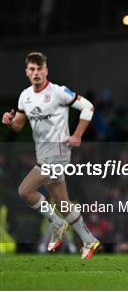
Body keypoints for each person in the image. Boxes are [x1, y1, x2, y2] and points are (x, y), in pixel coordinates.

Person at [2, 52, 100, 259]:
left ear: (46, 70)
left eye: (40, 69)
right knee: (63, 204)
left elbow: (88, 107)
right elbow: (19, 125)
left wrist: (77, 135)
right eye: (32, 69)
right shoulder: (25, 96)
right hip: (44, 154)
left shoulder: (58, 92)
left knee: (25, 191)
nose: (36, 73)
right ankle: (89, 240)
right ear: (27, 72)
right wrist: (10, 120)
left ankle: (56, 223)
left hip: (59, 152)